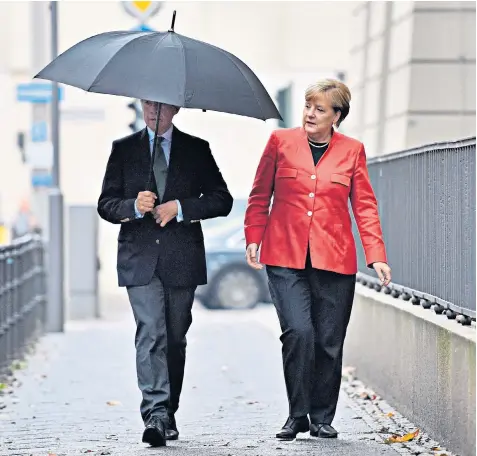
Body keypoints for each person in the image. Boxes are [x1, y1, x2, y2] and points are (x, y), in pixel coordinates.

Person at [244, 79, 391, 441]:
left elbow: (365, 206)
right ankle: (297, 414)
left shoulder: (352, 150)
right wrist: (253, 237)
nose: (310, 113)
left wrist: (376, 255)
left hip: (334, 259)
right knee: (299, 332)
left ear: (336, 116)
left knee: (328, 340)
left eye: (320, 109)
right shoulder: (280, 142)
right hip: (284, 255)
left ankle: (322, 416)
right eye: (308, 106)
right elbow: (260, 193)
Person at [97, 100, 233, 447]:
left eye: (161, 106)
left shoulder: (196, 150)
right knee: (150, 332)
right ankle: (155, 413)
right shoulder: (123, 150)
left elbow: (222, 200)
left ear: (174, 109)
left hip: (181, 258)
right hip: (139, 259)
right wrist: (132, 206)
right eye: (147, 104)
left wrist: (181, 207)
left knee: (174, 337)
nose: (153, 111)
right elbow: (106, 204)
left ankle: (168, 410)